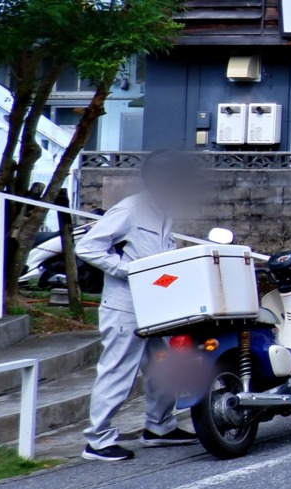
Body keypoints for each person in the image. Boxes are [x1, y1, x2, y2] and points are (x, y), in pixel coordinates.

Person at [75, 150, 209, 461]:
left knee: (163, 367)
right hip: (125, 307)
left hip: (154, 306)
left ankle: (159, 428)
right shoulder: (130, 209)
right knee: (118, 370)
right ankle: (97, 440)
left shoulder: (163, 212)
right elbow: (88, 247)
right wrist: (128, 270)